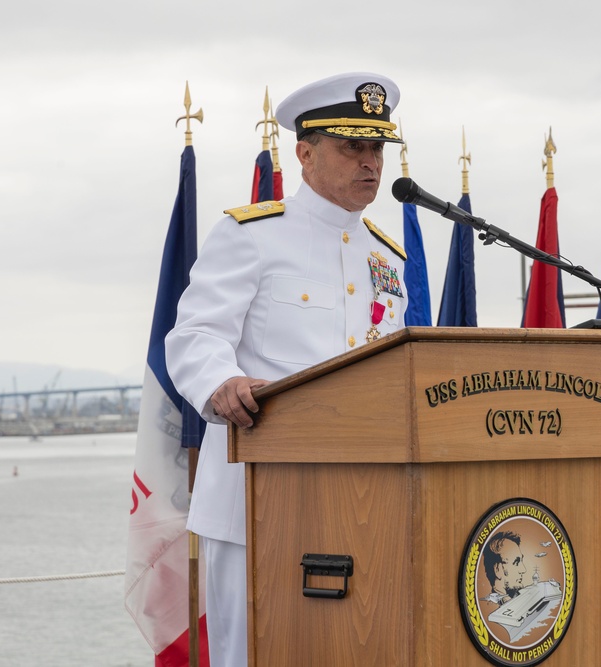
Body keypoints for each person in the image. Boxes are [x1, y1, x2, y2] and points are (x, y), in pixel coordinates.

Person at [165, 71, 408, 666]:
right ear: (304, 152)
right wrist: (222, 383)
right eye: (353, 146)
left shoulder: (386, 257)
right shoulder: (252, 235)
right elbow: (195, 334)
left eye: (377, 147)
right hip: (256, 501)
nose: (370, 162)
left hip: (363, 501)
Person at [482, 530, 528, 604]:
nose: (523, 569)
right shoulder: (496, 606)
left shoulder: (514, 600)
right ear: (497, 569)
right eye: (516, 562)